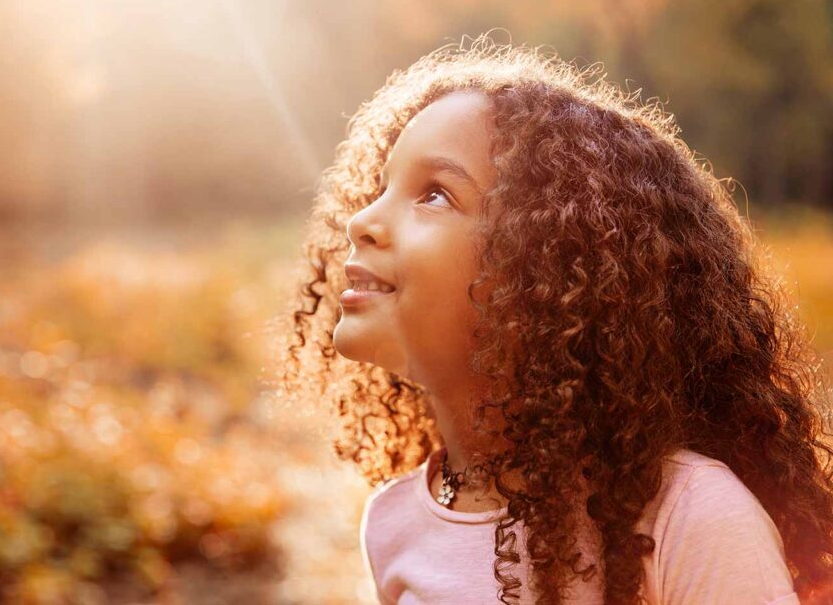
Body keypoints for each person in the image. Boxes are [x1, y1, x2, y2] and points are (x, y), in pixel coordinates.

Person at [275, 33, 833, 604]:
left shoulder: (691, 516)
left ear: (549, 272)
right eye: (380, 187)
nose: (361, 220)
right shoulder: (392, 524)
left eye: (435, 194)